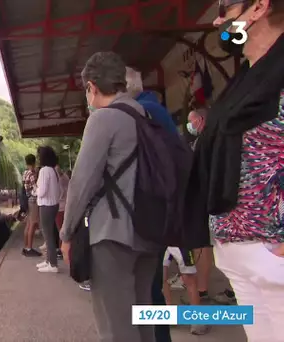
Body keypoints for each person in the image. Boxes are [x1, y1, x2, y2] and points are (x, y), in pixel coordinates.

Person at [186, 0, 284, 340]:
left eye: (226, 10)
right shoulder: (245, 77)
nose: (217, 21)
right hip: (237, 249)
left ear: (258, 7)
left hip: (273, 253)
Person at [60, 51, 159, 342]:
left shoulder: (103, 119)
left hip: (113, 235)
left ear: (91, 87)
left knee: (116, 328)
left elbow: (82, 182)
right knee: (143, 322)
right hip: (149, 232)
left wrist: (67, 233)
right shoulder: (146, 115)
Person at [125, 66, 179, 342]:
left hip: (145, 212)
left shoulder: (138, 113)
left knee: (144, 288)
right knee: (152, 286)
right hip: (160, 209)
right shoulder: (155, 110)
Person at [187, 108, 238, 305]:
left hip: (210, 204)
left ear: (200, 120)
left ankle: (204, 291)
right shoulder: (219, 138)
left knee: (209, 246)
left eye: (192, 122)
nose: (190, 126)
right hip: (217, 203)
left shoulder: (208, 141)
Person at [161, 247, 208, 335]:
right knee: (190, 280)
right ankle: (197, 321)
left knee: (163, 276)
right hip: (180, 241)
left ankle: (169, 314)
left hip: (161, 239)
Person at [35, 146, 61, 273]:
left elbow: (42, 191)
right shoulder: (53, 170)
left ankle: (53, 264)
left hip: (46, 205)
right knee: (49, 234)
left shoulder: (44, 171)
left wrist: (35, 190)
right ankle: (49, 261)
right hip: (53, 205)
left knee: (48, 235)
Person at [40, 164, 67, 260]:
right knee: (59, 229)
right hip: (62, 206)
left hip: (61, 206)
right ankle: (60, 250)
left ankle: (61, 251)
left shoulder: (60, 179)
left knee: (60, 230)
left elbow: (61, 191)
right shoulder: (64, 178)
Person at [21, 154, 41, 257]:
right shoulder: (32, 174)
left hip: (28, 200)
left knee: (28, 224)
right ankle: (29, 248)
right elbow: (35, 189)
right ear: (34, 162)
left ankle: (25, 247)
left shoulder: (25, 173)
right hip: (33, 200)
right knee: (33, 224)